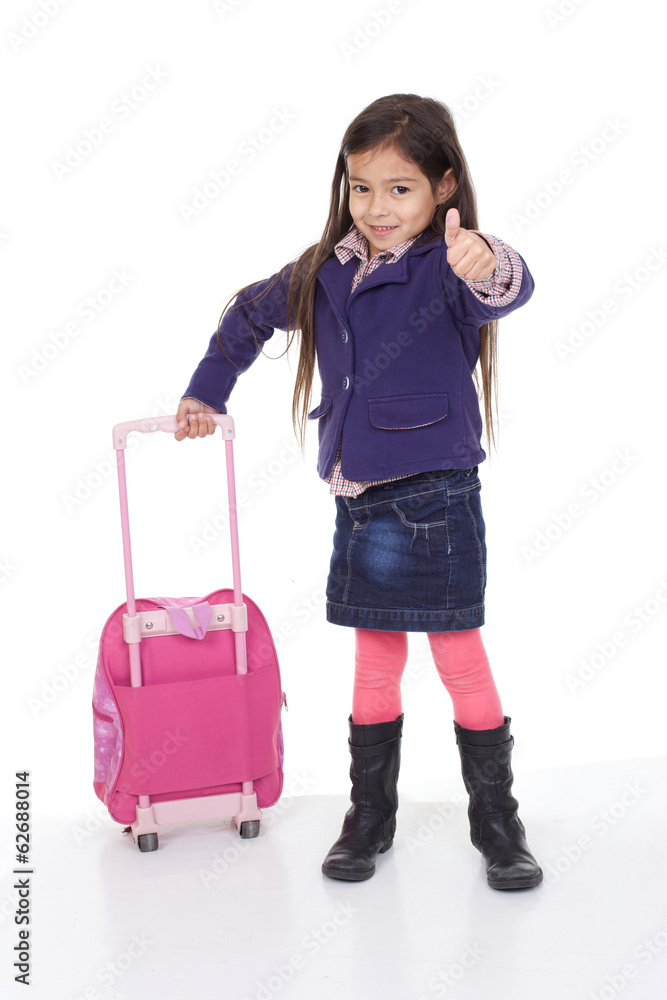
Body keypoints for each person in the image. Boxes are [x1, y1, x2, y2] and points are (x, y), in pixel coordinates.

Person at [175, 93, 542, 891]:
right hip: (359, 497)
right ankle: (369, 816)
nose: (377, 207)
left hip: (438, 496)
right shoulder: (324, 268)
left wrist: (485, 257)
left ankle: (496, 820)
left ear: (444, 187)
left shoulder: (447, 265)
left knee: (458, 656)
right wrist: (206, 391)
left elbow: (504, 287)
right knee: (374, 662)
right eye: (361, 186)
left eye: (399, 188)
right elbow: (247, 316)